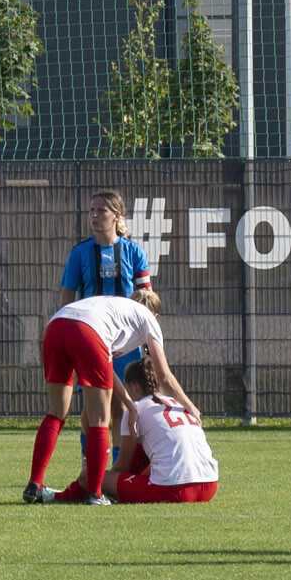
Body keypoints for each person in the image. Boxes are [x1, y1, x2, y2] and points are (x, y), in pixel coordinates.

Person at [33, 189, 157, 494]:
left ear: (116, 216)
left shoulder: (133, 252)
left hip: (123, 341)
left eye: (101, 210)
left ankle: (115, 470)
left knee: (122, 408)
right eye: (92, 210)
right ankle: (90, 470)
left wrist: (143, 331)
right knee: (92, 411)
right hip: (90, 338)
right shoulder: (80, 253)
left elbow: (147, 298)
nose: (94, 215)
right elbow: (67, 299)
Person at [29, 291, 179, 505]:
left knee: (56, 413)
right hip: (88, 331)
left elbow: (106, 367)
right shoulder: (147, 319)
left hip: (56, 324)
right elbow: (164, 375)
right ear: (155, 315)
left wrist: (130, 405)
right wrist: (190, 406)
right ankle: (94, 494)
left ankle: (34, 484)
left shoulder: (116, 309)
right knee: (100, 419)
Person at [63, 359, 215, 505]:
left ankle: (60, 496)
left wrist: (110, 479)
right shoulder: (179, 404)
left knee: (89, 476)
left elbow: (123, 467)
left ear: (134, 386)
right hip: (210, 485)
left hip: (172, 489)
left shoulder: (135, 409)